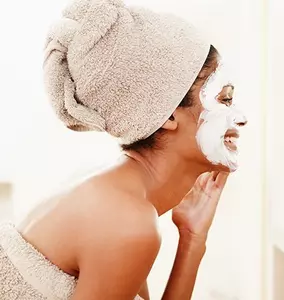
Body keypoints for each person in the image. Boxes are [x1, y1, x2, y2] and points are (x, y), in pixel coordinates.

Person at [0, 0, 247, 299]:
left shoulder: (120, 197)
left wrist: (192, 238)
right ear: (168, 114)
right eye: (225, 99)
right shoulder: (125, 220)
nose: (242, 118)